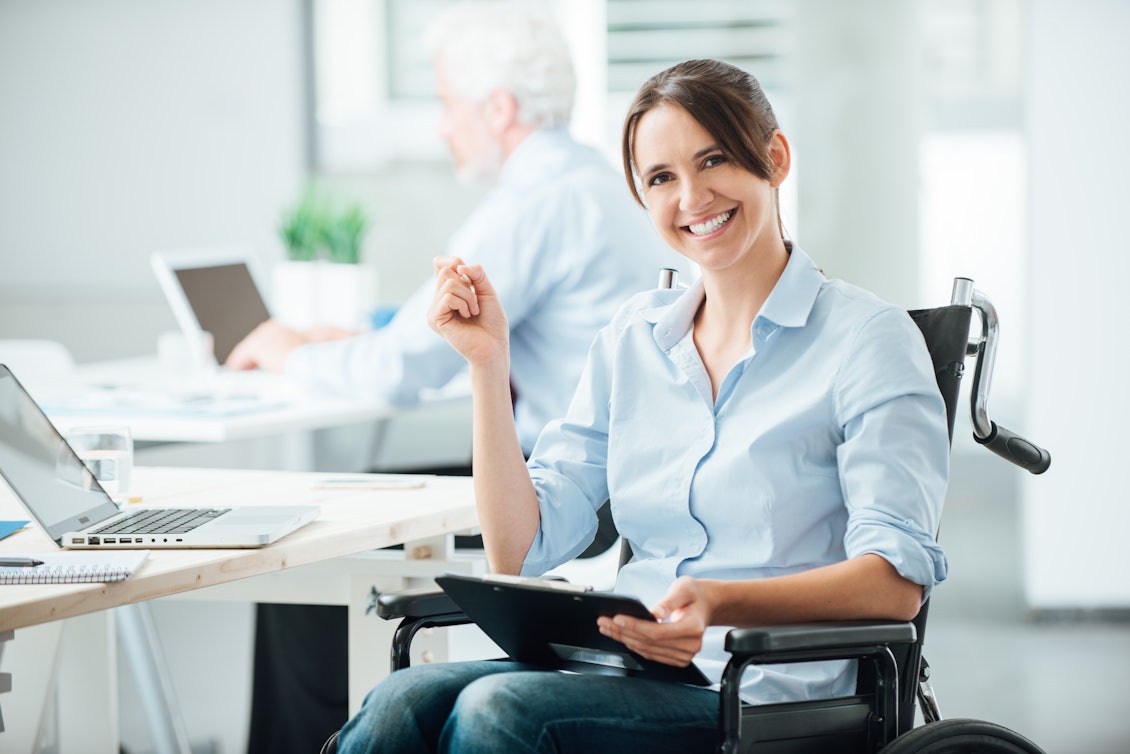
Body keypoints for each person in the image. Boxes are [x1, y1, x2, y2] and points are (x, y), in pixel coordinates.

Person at [332, 58, 951, 754]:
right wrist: (488, 366)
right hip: (628, 671)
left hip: (768, 696)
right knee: (399, 701)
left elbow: (895, 584)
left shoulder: (868, 341)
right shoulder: (634, 339)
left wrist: (718, 600)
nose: (690, 197)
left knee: (498, 711)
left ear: (774, 158)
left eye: (712, 159)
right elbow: (521, 548)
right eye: (660, 178)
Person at [239, 3, 679, 753]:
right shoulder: (595, 184)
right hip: (606, 485)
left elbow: (401, 369)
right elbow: (426, 333)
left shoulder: (534, 203)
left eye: (447, 104)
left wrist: (288, 351)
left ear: (498, 108)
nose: (443, 127)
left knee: (307, 545)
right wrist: (356, 332)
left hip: (572, 500)